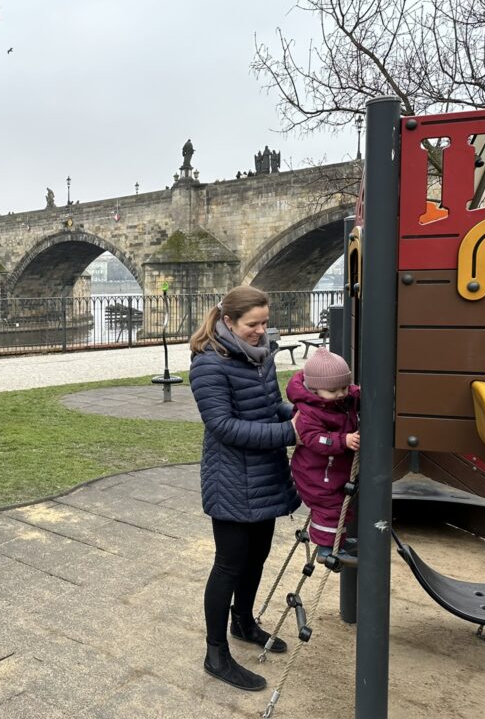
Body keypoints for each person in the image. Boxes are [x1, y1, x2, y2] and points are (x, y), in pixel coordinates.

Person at [189, 285, 299, 692]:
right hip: (231, 479)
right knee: (229, 564)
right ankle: (215, 653)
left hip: (265, 474)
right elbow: (223, 426)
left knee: (257, 556)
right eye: (253, 324)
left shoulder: (261, 355)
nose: (261, 331)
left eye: (265, 322)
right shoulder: (208, 364)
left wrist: (303, 414)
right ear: (228, 321)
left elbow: (270, 406)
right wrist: (290, 433)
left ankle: (243, 622)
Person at [286, 348, 360, 557]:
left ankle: (338, 540)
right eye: (334, 390)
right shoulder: (309, 411)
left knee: (340, 504)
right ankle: (326, 549)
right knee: (329, 508)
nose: (341, 394)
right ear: (314, 389)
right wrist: (343, 440)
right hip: (316, 473)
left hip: (332, 469)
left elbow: (354, 393)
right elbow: (314, 438)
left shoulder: (340, 398)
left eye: (344, 387)